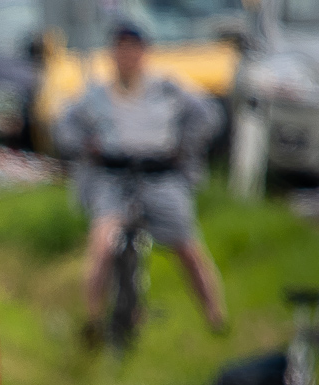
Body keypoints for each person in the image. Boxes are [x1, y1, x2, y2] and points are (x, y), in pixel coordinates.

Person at [56, 20, 227, 344]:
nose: (127, 57)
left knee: (188, 247)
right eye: (120, 50)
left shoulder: (167, 89)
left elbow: (209, 116)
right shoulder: (96, 95)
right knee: (101, 244)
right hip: (114, 178)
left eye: (133, 50)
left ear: (144, 53)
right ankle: (93, 321)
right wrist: (85, 147)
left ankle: (215, 316)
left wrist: (185, 146)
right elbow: (64, 126)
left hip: (160, 176)